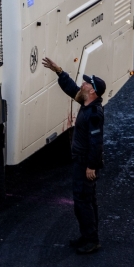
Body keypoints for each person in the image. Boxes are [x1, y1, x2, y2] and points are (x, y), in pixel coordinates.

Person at [42, 56, 104, 254]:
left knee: (82, 202)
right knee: (87, 200)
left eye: (86, 83)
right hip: (81, 161)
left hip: (85, 162)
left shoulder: (93, 114)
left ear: (92, 90)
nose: (82, 84)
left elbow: (96, 143)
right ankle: (88, 236)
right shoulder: (86, 103)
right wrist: (59, 72)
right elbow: (71, 89)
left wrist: (91, 166)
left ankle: (91, 240)